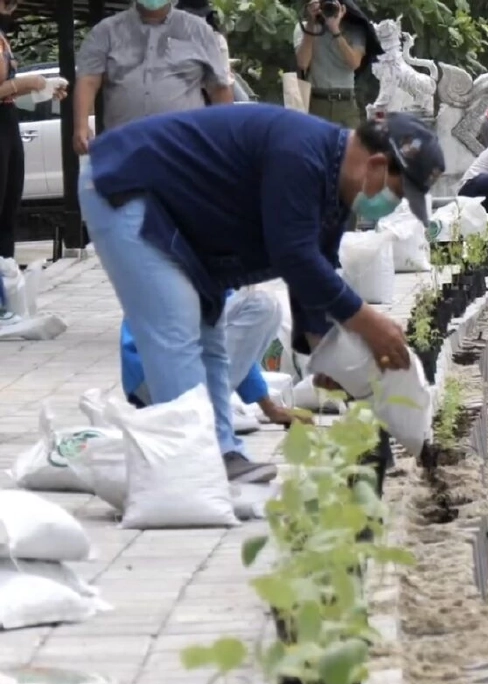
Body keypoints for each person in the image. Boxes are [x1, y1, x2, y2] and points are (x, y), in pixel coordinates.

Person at [78, 104, 442, 483]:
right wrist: (368, 321)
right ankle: (191, 468)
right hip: (124, 184)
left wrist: (327, 356)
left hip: (180, 218)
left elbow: (313, 273)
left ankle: (223, 454)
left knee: (211, 340)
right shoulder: (301, 152)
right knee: (176, 325)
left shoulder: (333, 191)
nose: (393, 204)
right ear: (378, 165)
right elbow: (293, 255)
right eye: (398, 194)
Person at [121, 287, 304, 437]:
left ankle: (209, 405)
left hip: (156, 380)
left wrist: (270, 408)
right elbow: (218, 344)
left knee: (266, 305)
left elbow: (238, 347)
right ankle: (206, 409)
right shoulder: (191, 262)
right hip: (158, 381)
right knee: (261, 303)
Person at [72, 0, 233, 155]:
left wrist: (225, 136)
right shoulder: (105, 31)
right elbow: (88, 80)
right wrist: (81, 125)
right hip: (124, 147)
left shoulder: (199, 31)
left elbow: (219, 88)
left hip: (184, 148)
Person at [0, 0, 66, 260]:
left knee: (8, 209)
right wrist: (27, 82)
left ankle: (4, 286)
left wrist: (41, 86)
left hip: (7, 120)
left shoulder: (3, 37)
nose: (11, 8)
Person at [294, 0, 368, 128]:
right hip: (317, 101)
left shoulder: (355, 29)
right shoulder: (305, 28)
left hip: (346, 103)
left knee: (349, 145)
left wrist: (335, 29)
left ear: (343, 6)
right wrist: (311, 23)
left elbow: (354, 63)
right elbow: (303, 63)